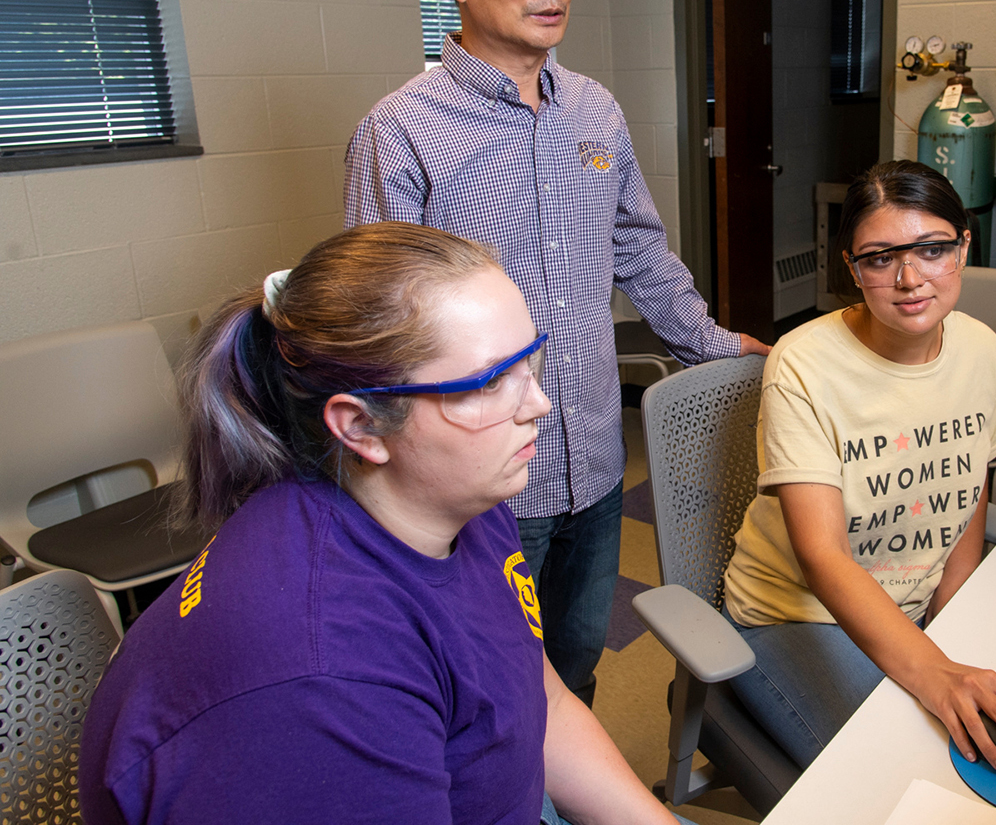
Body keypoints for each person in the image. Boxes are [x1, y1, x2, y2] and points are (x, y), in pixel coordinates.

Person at [79, 223, 684, 825]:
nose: (538, 404)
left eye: (530, 361)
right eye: (491, 381)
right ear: (361, 426)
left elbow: (540, 699)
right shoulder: (317, 676)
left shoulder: (462, 500)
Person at [344, 0, 768, 708]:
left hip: (596, 462)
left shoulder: (595, 111)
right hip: (482, 487)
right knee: (482, 692)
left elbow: (639, 251)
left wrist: (720, 349)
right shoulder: (400, 132)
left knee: (574, 665)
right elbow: (376, 331)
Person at [719, 161, 996, 772]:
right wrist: (936, 671)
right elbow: (824, 558)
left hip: (914, 605)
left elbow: (968, 492)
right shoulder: (803, 365)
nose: (910, 278)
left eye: (932, 249)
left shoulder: (980, 348)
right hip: (797, 614)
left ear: (963, 247)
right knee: (904, 768)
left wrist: (952, 623)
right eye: (880, 259)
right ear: (852, 269)